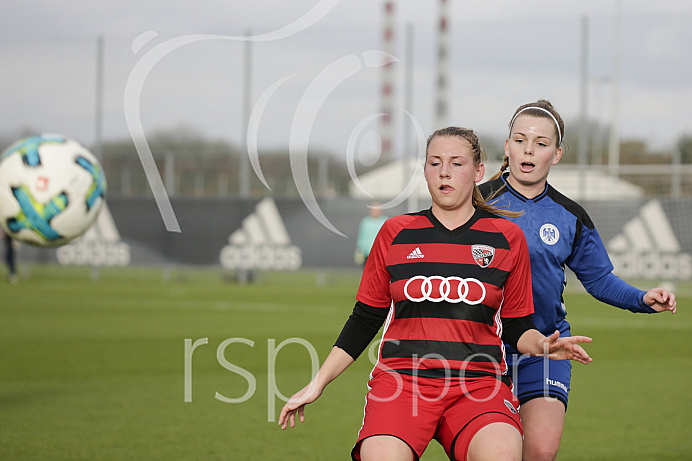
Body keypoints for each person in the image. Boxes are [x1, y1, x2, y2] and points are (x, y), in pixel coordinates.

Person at [279, 126, 593, 461]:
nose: (444, 172)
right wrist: (318, 383)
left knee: (502, 454)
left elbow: (517, 328)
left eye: (457, 163)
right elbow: (365, 319)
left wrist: (544, 344)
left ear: (478, 171)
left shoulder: (507, 238)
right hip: (402, 384)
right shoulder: (395, 233)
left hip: (478, 386)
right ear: (425, 171)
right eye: (434, 163)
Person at [479, 99, 677, 461]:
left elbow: (600, 279)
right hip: (482, 350)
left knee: (540, 451)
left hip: (548, 345)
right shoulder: (477, 203)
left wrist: (641, 298)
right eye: (520, 140)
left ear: (556, 154)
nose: (529, 149)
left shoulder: (570, 216)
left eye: (541, 143)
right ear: (507, 147)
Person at [354, 201, 387, 266]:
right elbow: (362, 237)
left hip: (380, 253)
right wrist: (360, 249)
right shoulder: (365, 222)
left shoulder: (385, 222)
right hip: (367, 253)